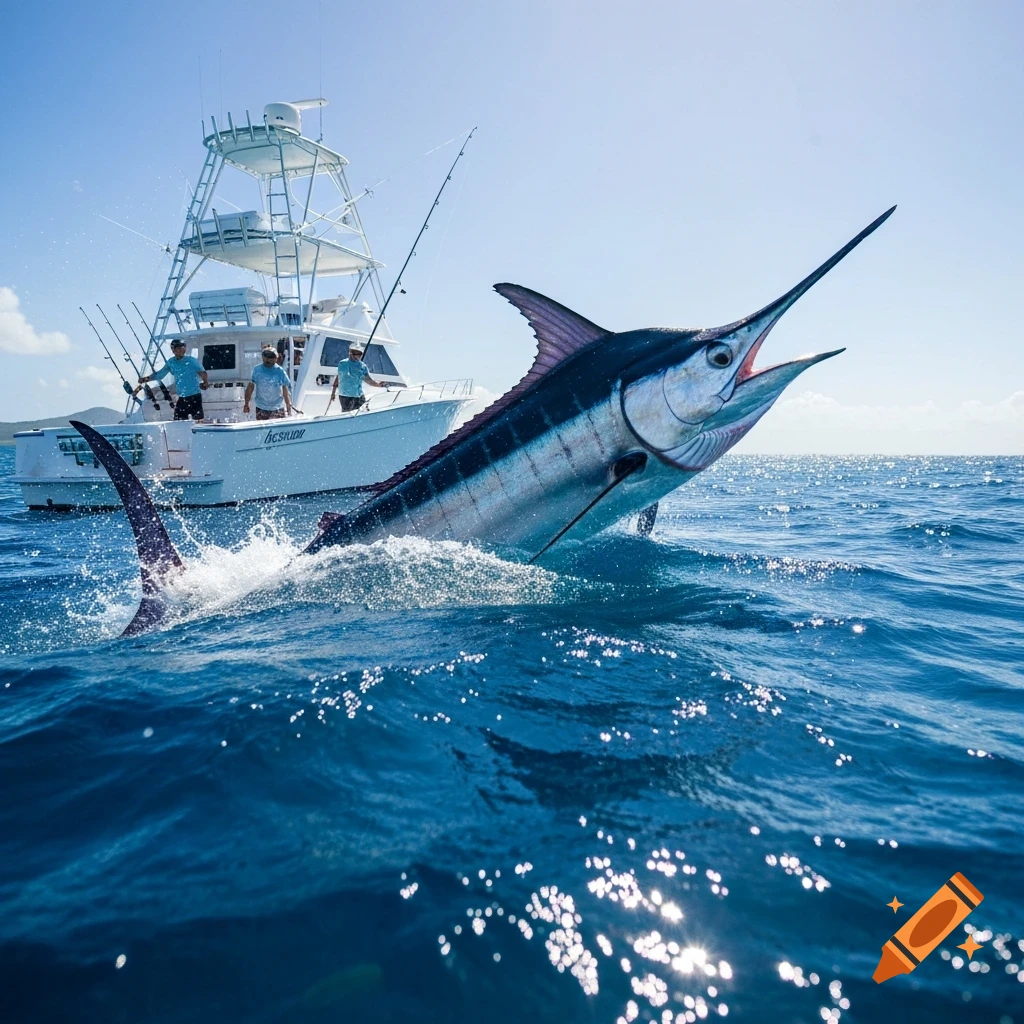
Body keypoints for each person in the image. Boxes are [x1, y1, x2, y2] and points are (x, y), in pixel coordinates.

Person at [136, 340, 208, 421]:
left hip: (195, 396)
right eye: (178, 348)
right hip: (182, 397)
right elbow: (160, 374)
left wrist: (205, 382)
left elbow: (203, 372)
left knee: (198, 420)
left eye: (183, 347)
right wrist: (145, 379)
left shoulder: (191, 360)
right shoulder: (171, 362)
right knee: (178, 421)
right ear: (173, 350)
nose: (181, 350)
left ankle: (200, 432)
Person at [331, 342, 384, 412]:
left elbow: (367, 379)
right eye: (357, 354)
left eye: (360, 354)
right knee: (348, 414)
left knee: (364, 411)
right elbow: (339, 377)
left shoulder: (363, 366)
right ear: (351, 353)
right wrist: (333, 392)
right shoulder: (343, 363)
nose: (359, 356)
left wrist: (378, 384)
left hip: (359, 395)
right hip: (346, 396)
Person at [244, 347, 294, 420]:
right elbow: (250, 387)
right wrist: (246, 404)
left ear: (276, 359)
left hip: (278, 408)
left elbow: (285, 390)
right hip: (261, 407)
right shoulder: (257, 370)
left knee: (278, 430)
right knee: (263, 431)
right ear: (263, 357)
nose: (268, 359)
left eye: (271, 357)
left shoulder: (280, 371)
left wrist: (289, 408)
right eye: (266, 356)